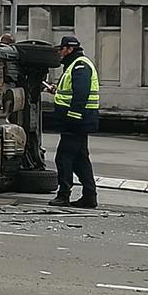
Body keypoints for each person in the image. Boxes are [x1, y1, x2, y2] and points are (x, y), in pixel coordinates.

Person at [48, 35, 99, 209]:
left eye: (61, 49)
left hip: (76, 122)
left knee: (63, 158)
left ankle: (63, 195)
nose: (60, 52)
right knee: (80, 159)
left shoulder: (80, 65)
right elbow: (71, 92)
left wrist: (74, 117)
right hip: (78, 121)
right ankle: (89, 196)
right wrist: (56, 90)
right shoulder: (75, 65)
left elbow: (81, 93)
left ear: (69, 49)